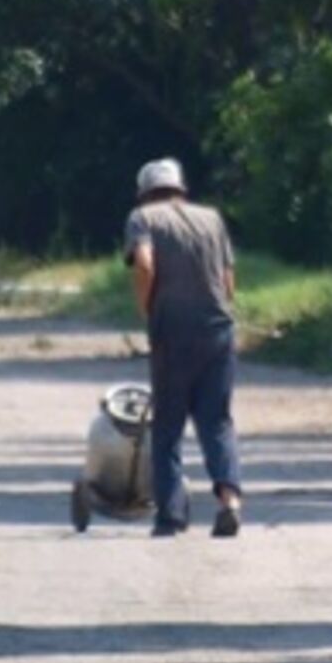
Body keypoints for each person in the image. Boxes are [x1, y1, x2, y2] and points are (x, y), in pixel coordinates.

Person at [124, 157, 243, 538]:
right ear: (181, 189)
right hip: (219, 331)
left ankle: (171, 516)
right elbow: (228, 281)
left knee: (168, 427)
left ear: (145, 193)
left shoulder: (143, 218)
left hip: (172, 333)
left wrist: (148, 309)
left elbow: (144, 264)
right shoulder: (211, 219)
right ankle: (229, 501)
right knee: (217, 421)